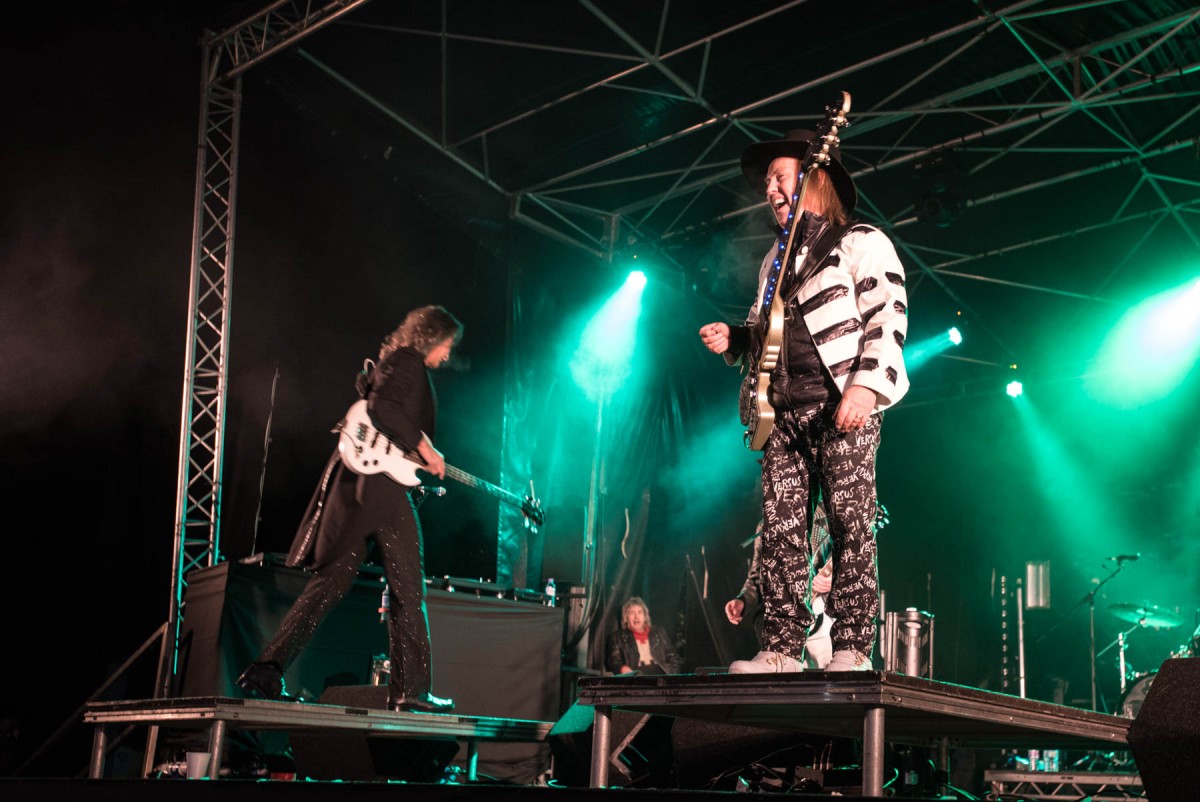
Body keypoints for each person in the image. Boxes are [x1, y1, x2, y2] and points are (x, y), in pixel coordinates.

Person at [700, 129, 908, 673]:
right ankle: (780, 650)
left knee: (849, 527)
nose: (769, 189)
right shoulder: (773, 259)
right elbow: (763, 329)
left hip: (841, 409)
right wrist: (735, 337)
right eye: (767, 182)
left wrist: (865, 387)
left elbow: (888, 316)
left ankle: (852, 648)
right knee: (782, 535)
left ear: (813, 177)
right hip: (783, 416)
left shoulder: (861, 240)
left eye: (779, 177)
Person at [237, 305, 464, 713]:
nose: (447, 354)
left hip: (364, 494)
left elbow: (384, 415)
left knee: (331, 582)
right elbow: (383, 409)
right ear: (432, 337)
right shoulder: (408, 361)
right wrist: (426, 448)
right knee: (409, 589)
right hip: (383, 493)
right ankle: (410, 690)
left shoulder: (393, 361)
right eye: (447, 344)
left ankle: (266, 669)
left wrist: (419, 452)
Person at [725, 508, 834, 670]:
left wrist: (836, 580)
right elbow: (757, 576)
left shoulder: (829, 517)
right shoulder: (766, 524)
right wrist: (743, 600)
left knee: (825, 675)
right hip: (780, 616)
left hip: (820, 613)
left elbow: (854, 559)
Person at [605, 596, 683, 675]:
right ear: (626, 617)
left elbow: (674, 658)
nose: (636, 617)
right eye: (632, 613)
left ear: (645, 616)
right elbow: (613, 661)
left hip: (661, 678)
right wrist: (621, 668)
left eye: (640, 612)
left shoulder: (659, 633)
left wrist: (671, 677)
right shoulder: (617, 637)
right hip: (636, 679)